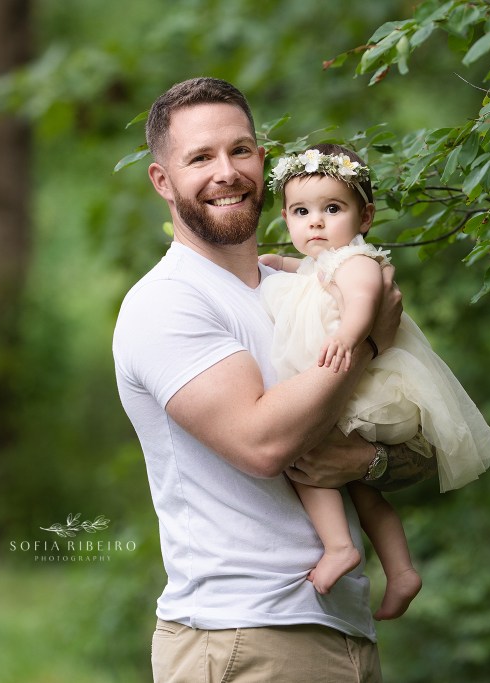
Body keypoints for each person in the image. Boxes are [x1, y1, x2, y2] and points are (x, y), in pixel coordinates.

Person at [113, 77, 436, 682]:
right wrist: (368, 343)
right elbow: (263, 445)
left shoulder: (307, 291)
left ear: (262, 160)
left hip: (343, 630)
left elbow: (422, 447)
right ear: (162, 180)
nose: (226, 172)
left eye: (240, 150)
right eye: (200, 158)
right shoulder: (168, 303)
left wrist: (365, 462)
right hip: (243, 634)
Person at [258, 143, 490, 619]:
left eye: (332, 209)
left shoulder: (357, 261)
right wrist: (272, 262)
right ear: (286, 218)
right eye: (301, 212)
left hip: (364, 388)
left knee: (306, 456)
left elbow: (364, 299)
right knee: (363, 490)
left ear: (365, 216)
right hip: (353, 388)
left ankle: (339, 548)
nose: (316, 222)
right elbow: (301, 272)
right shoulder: (321, 262)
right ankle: (402, 570)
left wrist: (349, 336)